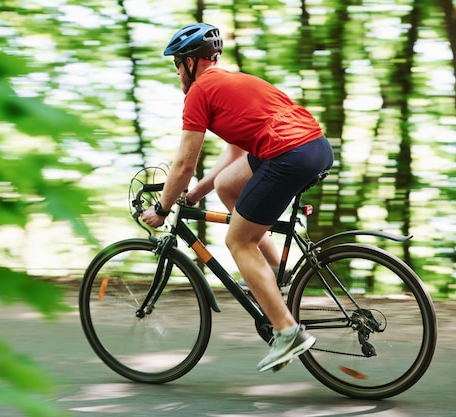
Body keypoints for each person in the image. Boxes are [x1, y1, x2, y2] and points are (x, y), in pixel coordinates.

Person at [141, 23, 334, 372]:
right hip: (315, 147)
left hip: (287, 153)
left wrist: (162, 207)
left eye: (177, 64)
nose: (177, 74)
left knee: (237, 241)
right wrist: (198, 192)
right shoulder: (235, 82)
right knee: (230, 185)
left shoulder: (200, 92)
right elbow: (233, 156)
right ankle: (274, 273)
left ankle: (288, 332)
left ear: (190, 62)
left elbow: (185, 162)